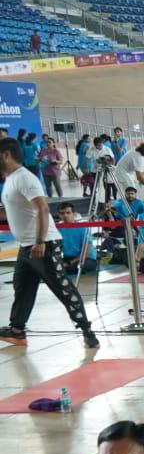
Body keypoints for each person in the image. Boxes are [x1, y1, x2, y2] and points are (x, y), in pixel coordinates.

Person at [0, 138, 98, 348]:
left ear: (6, 155)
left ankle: (87, 331)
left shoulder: (25, 178)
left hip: (44, 244)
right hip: (27, 246)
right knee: (23, 288)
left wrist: (40, 240)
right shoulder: (10, 179)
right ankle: (17, 331)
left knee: (62, 288)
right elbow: (12, 211)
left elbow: (42, 208)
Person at [57, 203, 97, 277]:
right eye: (62, 213)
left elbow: (87, 253)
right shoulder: (59, 229)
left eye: (68, 213)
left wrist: (69, 263)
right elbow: (57, 248)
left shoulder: (83, 228)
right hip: (68, 258)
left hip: (86, 259)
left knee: (70, 267)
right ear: (59, 215)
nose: (65, 216)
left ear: (73, 214)